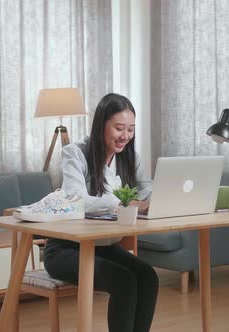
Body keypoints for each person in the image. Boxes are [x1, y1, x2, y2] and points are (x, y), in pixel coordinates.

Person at [44, 93, 159, 332]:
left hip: (104, 246)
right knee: (124, 280)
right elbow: (76, 200)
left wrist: (142, 199)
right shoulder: (75, 153)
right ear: (101, 125)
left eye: (131, 129)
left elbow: (146, 188)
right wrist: (125, 204)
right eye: (119, 128)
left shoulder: (129, 157)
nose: (125, 136)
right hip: (66, 249)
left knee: (148, 276)